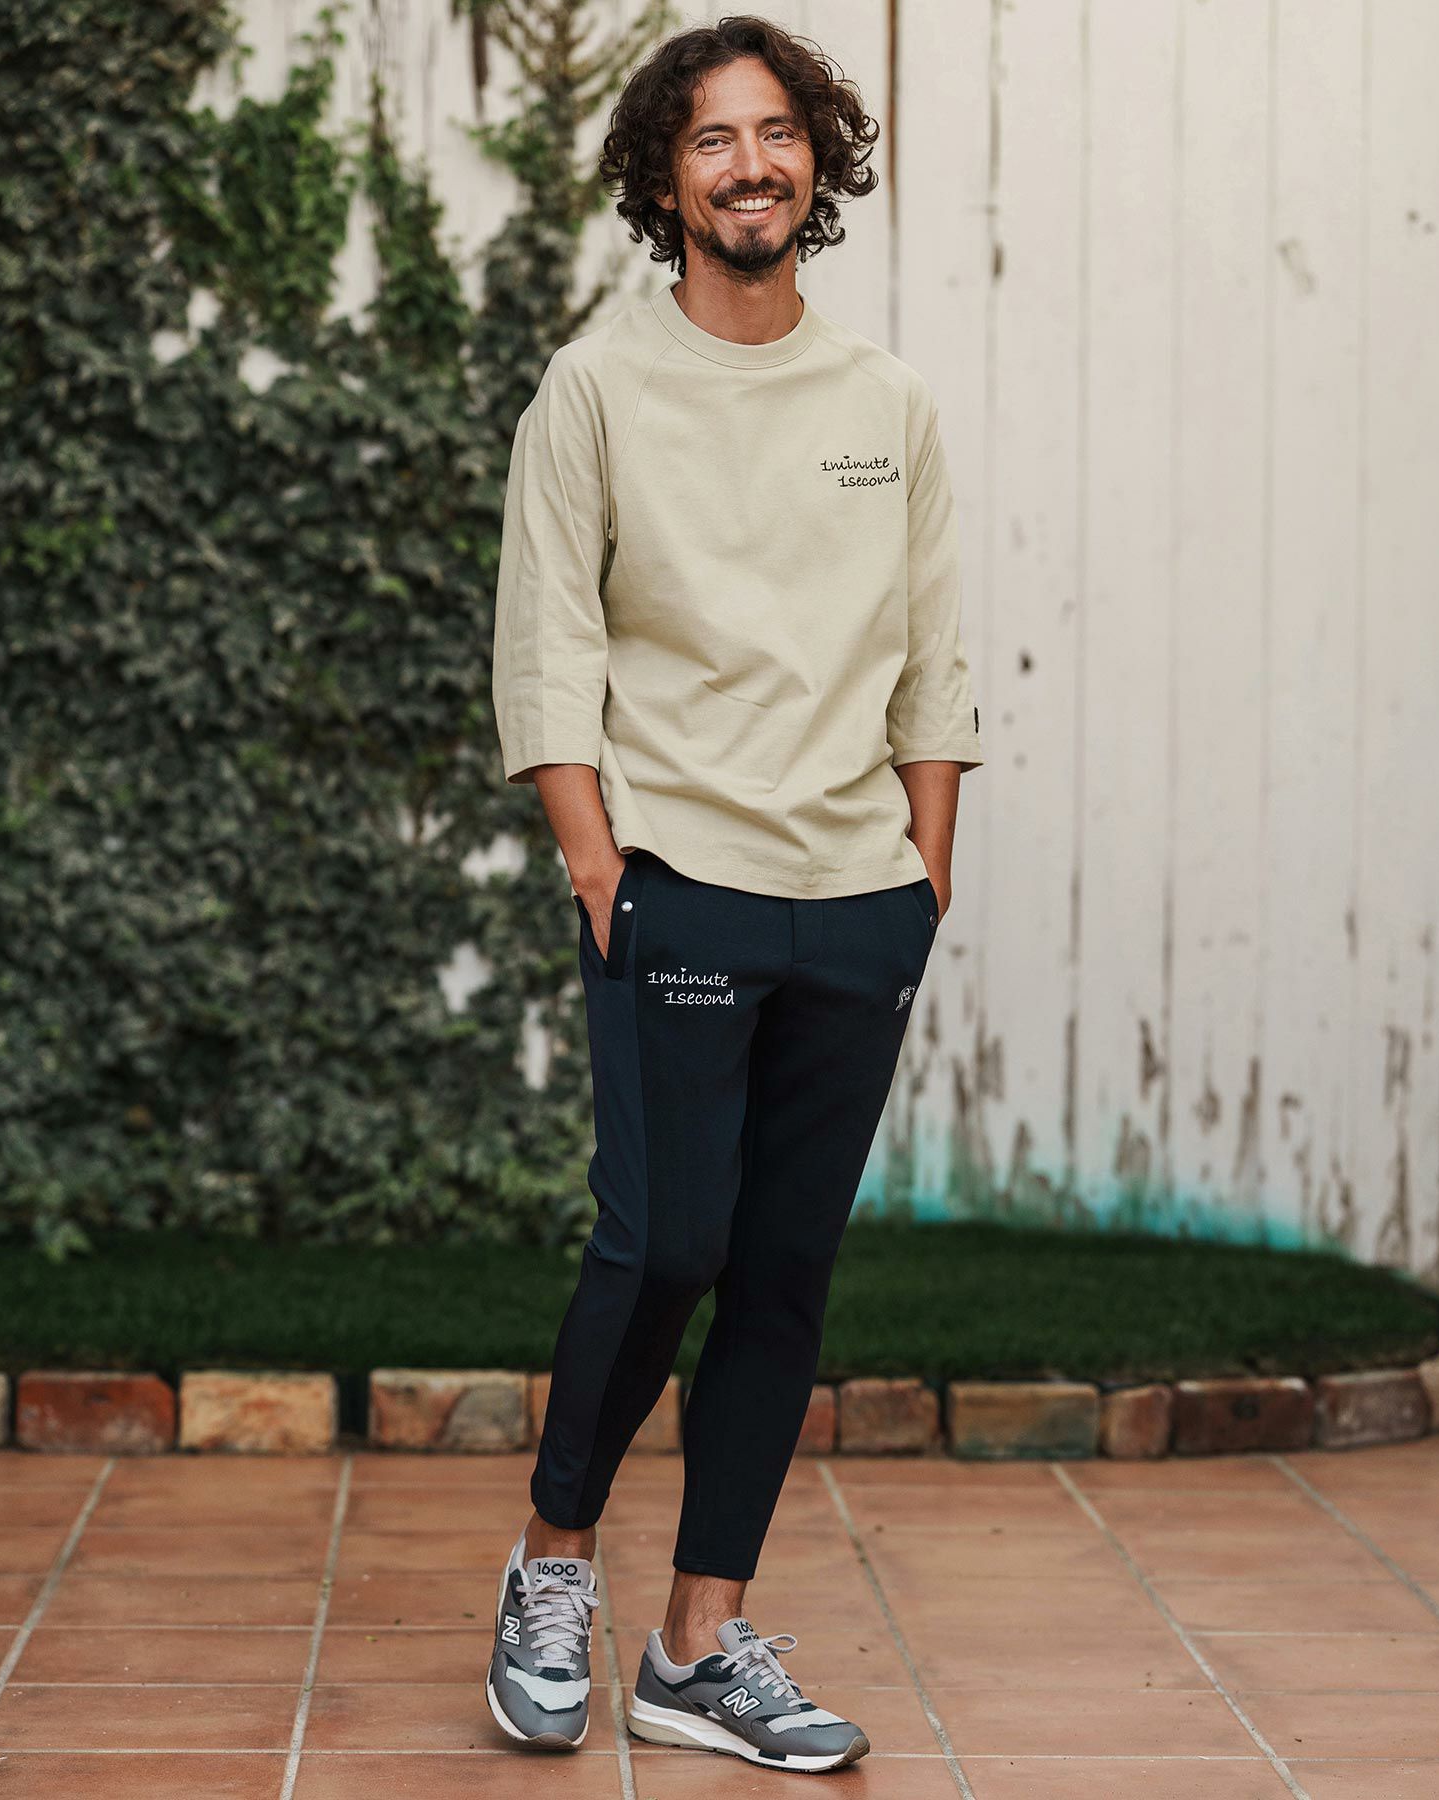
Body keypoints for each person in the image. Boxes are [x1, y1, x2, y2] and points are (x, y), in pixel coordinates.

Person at [485, 13, 983, 1773]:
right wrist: (598, 864)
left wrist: (924, 879)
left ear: (815, 161)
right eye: (712, 138)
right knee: (667, 1244)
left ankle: (697, 1645)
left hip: (858, 903)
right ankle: (553, 1563)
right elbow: (548, 645)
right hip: (678, 883)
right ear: (665, 177)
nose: (751, 165)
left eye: (777, 133)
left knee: (782, 1270)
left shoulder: (886, 405)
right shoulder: (597, 389)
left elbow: (935, 658)